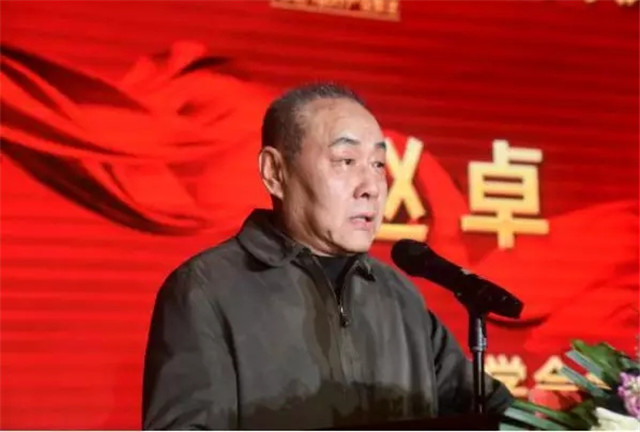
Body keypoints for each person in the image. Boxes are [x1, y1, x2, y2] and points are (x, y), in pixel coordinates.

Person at [142, 83, 513, 429]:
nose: (371, 187)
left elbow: (495, 411)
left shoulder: (398, 296)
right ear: (275, 172)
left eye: (378, 164)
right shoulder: (207, 290)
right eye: (345, 160)